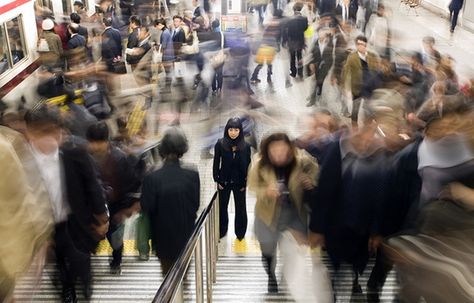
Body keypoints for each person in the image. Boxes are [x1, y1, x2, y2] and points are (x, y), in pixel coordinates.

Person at [24, 105, 109, 302]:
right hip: (46, 228)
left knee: (81, 257)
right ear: (31, 132)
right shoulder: (22, 158)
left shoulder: (75, 150)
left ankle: (87, 281)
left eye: (54, 130)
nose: (51, 136)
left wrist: (102, 217)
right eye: (42, 131)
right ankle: (67, 289)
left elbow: (92, 184)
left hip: (75, 221)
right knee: (58, 261)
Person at [247, 132, 319, 293]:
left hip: (293, 212)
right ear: (268, 150)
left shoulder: (301, 160)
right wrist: (266, 191)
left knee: (292, 251)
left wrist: (309, 182)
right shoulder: (259, 163)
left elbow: (315, 172)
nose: (279, 153)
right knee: (268, 250)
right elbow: (252, 186)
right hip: (267, 214)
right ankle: (270, 275)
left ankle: (286, 275)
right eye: (274, 150)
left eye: (283, 149)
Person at [141, 127, 200, 275]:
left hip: (162, 238)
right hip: (186, 235)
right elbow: (195, 204)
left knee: (168, 274)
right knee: (183, 272)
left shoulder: (151, 177)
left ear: (162, 149)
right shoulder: (192, 174)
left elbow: (146, 206)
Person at [86, 122, 143, 274]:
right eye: (93, 142)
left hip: (116, 205)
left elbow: (131, 183)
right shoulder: (85, 158)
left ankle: (116, 261)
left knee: (115, 237)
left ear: (106, 140)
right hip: (94, 207)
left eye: (99, 142)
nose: (96, 146)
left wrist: (127, 209)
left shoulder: (119, 158)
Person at [213, 117, 252, 240]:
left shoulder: (246, 146)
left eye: (236, 130)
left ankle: (240, 232)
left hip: (240, 183)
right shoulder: (220, 144)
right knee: (222, 208)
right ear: (226, 130)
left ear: (240, 131)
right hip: (223, 182)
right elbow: (216, 163)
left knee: (240, 208)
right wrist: (217, 179)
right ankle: (222, 230)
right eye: (231, 130)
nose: (233, 133)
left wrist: (246, 182)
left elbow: (248, 164)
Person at [282, 2, 308, 79]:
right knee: (299, 56)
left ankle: (293, 72)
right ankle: (300, 72)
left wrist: (284, 41)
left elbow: (285, 31)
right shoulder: (304, 19)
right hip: (300, 40)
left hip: (291, 41)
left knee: (292, 57)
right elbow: (305, 29)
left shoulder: (289, 19)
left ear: (293, 10)